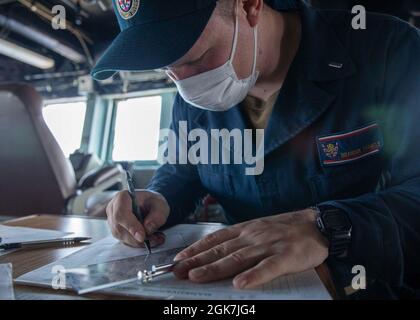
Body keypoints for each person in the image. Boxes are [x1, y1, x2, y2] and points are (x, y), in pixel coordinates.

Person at [92, 0, 420, 299]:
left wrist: (328, 226)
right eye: (166, 69)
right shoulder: (192, 99)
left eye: (196, 57)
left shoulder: (388, 51)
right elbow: (184, 170)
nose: (184, 83)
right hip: (237, 292)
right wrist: (159, 197)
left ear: (249, 7)